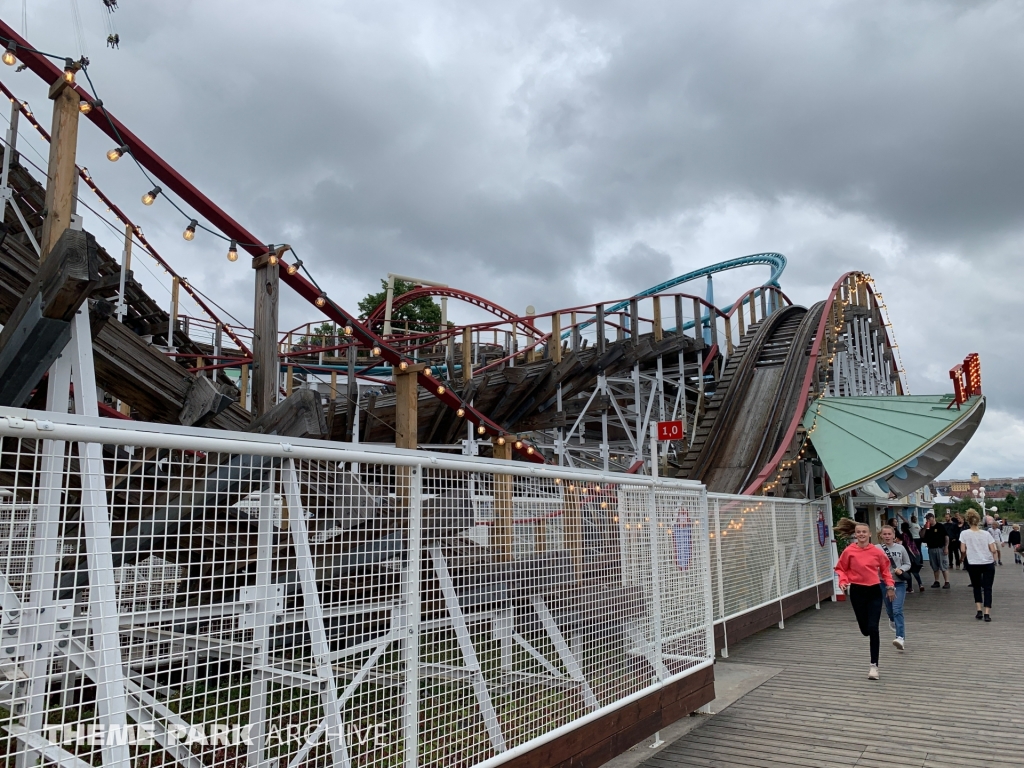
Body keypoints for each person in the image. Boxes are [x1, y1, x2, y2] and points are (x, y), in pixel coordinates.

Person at [834, 518, 896, 679]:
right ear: (855, 535)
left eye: (864, 532)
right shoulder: (849, 551)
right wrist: (842, 581)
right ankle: (866, 630)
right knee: (865, 629)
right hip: (857, 591)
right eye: (858, 532)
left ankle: (874, 666)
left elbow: (885, 571)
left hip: (874, 591)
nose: (861, 534)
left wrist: (889, 586)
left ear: (869, 534)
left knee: (874, 628)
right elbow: (841, 568)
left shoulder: (877, 552)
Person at [877, 525, 911, 650]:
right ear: (881, 535)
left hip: (898, 582)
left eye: (889, 534)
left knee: (897, 609)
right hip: (883, 582)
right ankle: (892, 620)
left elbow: (908, 563)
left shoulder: (900, 548)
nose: (887, 536)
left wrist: (901, 569)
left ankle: (900, 637)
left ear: (894, 535)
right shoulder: (877, 548)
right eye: (884, 534)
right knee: (890, 609)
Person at [960, 510, 997, 621]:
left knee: (976, 587)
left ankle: (979, 611)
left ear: (968, 520)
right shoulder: (986, 534)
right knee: (987, 588)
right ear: (978, 520)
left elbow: (962, 550)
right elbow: (993, 549)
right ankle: (987, 613)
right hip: (987, 563)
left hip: (973, 563)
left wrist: (962, 558)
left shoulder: (964, 534)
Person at [923, 512, 950, 588]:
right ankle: (937, 581)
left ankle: (947, 582)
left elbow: (946, 537)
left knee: (943, 565)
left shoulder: (940, 526)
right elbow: (922, 536)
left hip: (940, 548)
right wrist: (924, 528)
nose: (928, 521)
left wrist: (946, 547)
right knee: (934, 566)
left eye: (929, 519)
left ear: (933, 518)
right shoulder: (927, 528)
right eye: (927, 519)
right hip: (931, 548)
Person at [900, 522, 925, 593]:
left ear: (902, 528)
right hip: (916, 553)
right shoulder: (910, 534)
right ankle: (920, 584)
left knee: (908, 572)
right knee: (915, 571)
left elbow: (907, 545)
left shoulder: (904, 535)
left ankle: (910, 587)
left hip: (909, 555)